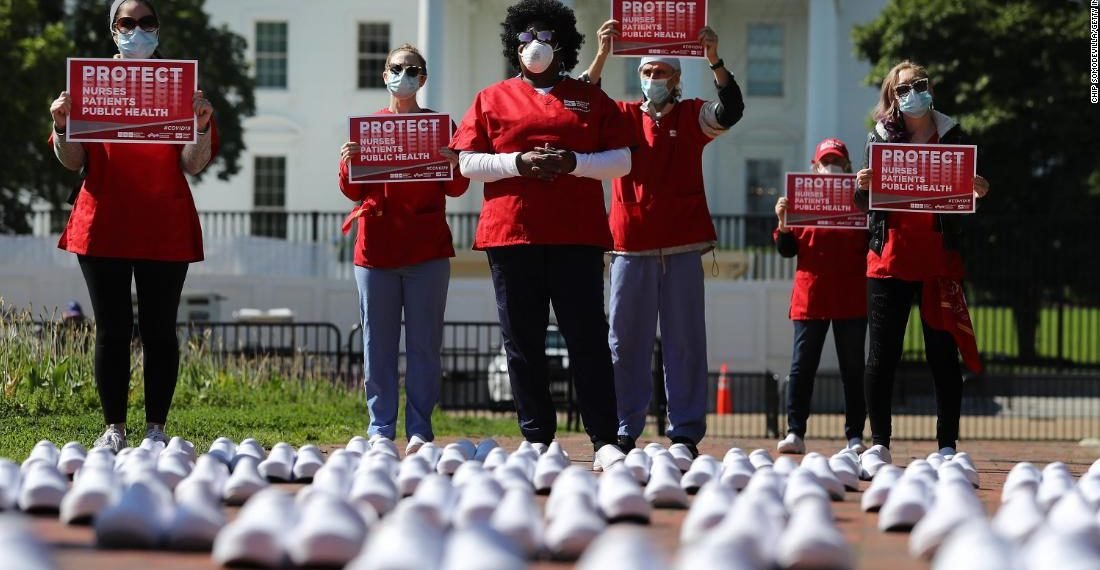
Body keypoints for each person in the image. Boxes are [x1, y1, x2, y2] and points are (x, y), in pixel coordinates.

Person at [451, 0, 634, 470]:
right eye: (526, 36)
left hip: (576, 236)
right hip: (512, 233)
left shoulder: (589, 98)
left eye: (546, 36)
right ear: (514, 44)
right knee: (523, 340)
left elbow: (622, 160)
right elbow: (467, 162)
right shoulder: (491, 98)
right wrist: (519, 163)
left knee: (587, 337)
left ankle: (605, 439)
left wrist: (575, 163)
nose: (535, 44)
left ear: (563, 44)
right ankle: (537, 439)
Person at [47, 0, 218, 452]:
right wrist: (62, 125)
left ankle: (156, 430)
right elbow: (72, 162)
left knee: (160, 329)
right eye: (128, 23)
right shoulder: (89, 85)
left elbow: (194, 163)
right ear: (113, 30)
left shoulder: (183, 89)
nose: (137, 30)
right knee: (112, 329)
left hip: (165, 224)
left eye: (147, 22)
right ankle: (114, 429)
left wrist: (200, 127)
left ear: (158, 29)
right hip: (102, 223)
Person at [580, 21, 744, 457]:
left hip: (683, 245)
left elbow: (731, 110)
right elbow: (579, 105)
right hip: (629, 245)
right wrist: (601, 54)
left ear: (677, 78)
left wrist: (715, 60)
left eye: (662, 73)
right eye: (647, 72)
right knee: (624, 340)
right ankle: (623, 427)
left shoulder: (693, 114)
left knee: (685, 339)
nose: (653, 79)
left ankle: (685, 431)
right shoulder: (622, 116)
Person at [854, 61, 990, 476]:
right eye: (903, 88)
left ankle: (947, 446)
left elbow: (966, 199)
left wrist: (978, 190)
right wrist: (862, 188)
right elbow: (867, 208)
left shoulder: (953, 135)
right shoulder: (877, 138)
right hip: (889, 261)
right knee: (881, 356)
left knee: (942, 357)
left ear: (931, 88)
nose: (912, 93)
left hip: (938, 263)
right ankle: (879, 444)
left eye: (919, 85)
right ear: (891, 97)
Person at [338, 43, 470, 456]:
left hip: (427, 252)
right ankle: (380, 428)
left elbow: (457, 187)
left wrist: (454, 160)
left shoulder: (441, 129)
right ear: (384, 74)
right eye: (397, 68)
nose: (404, 75)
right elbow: (351, 190)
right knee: (377, 346)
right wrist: (347, 162)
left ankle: (419, 430)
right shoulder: (368, 129)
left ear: (423, 79)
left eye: (413, 69)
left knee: (425, 346)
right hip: (375, 253)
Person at [773, 139, 868, 455]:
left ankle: (855, 435)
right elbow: (787, 250)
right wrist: (784, 225)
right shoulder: (801, 200)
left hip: (850, 295)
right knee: (802, 367)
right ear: (814, 167)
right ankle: (795, 431)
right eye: (826, 162)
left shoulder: (861, 201)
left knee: (852, 368)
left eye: (837, 162)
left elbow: (874, 241)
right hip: (811, 295)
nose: (831, 167)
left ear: (848, 167)